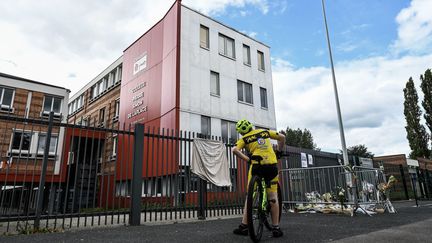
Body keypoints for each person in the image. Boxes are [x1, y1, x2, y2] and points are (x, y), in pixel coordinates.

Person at [232, 119, 285, 238]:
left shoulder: (244, 138)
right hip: (271, 165)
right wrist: (279, 152)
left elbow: (234, 150)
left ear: (241, 132)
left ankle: (244, 226)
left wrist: (248, 160)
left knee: (250, 196)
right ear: (251, 126)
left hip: (256, 166)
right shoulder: (264, 132)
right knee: (273, 196)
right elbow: (281, 137)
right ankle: (276, 228)